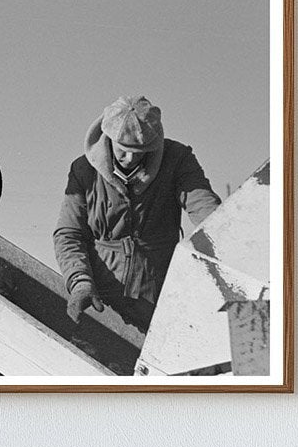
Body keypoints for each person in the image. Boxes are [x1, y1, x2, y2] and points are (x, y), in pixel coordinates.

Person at [53, 95, 221, 330]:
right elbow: (68, 234)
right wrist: (80, 282)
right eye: (123, 150)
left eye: (139, 151)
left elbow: (206, 210)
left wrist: (224, 244)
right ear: (109, 139)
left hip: (158, 293)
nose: (130, 158)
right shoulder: (83, 170)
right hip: (102, 297)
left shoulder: (178, 159)